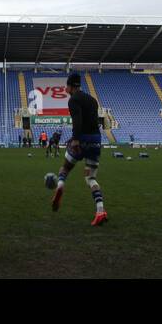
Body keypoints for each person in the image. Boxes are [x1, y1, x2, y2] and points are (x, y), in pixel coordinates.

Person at [49, 73, 107, 226]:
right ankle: (100, 210)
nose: (65, 88)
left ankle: (60, 185)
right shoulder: (93, 100)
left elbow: (77, 120)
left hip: (81, 141)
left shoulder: (73, 100)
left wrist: (75, 139)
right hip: (95, 141)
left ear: (71, 86)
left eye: (66, 86)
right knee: (91, 178)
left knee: (66, 167)